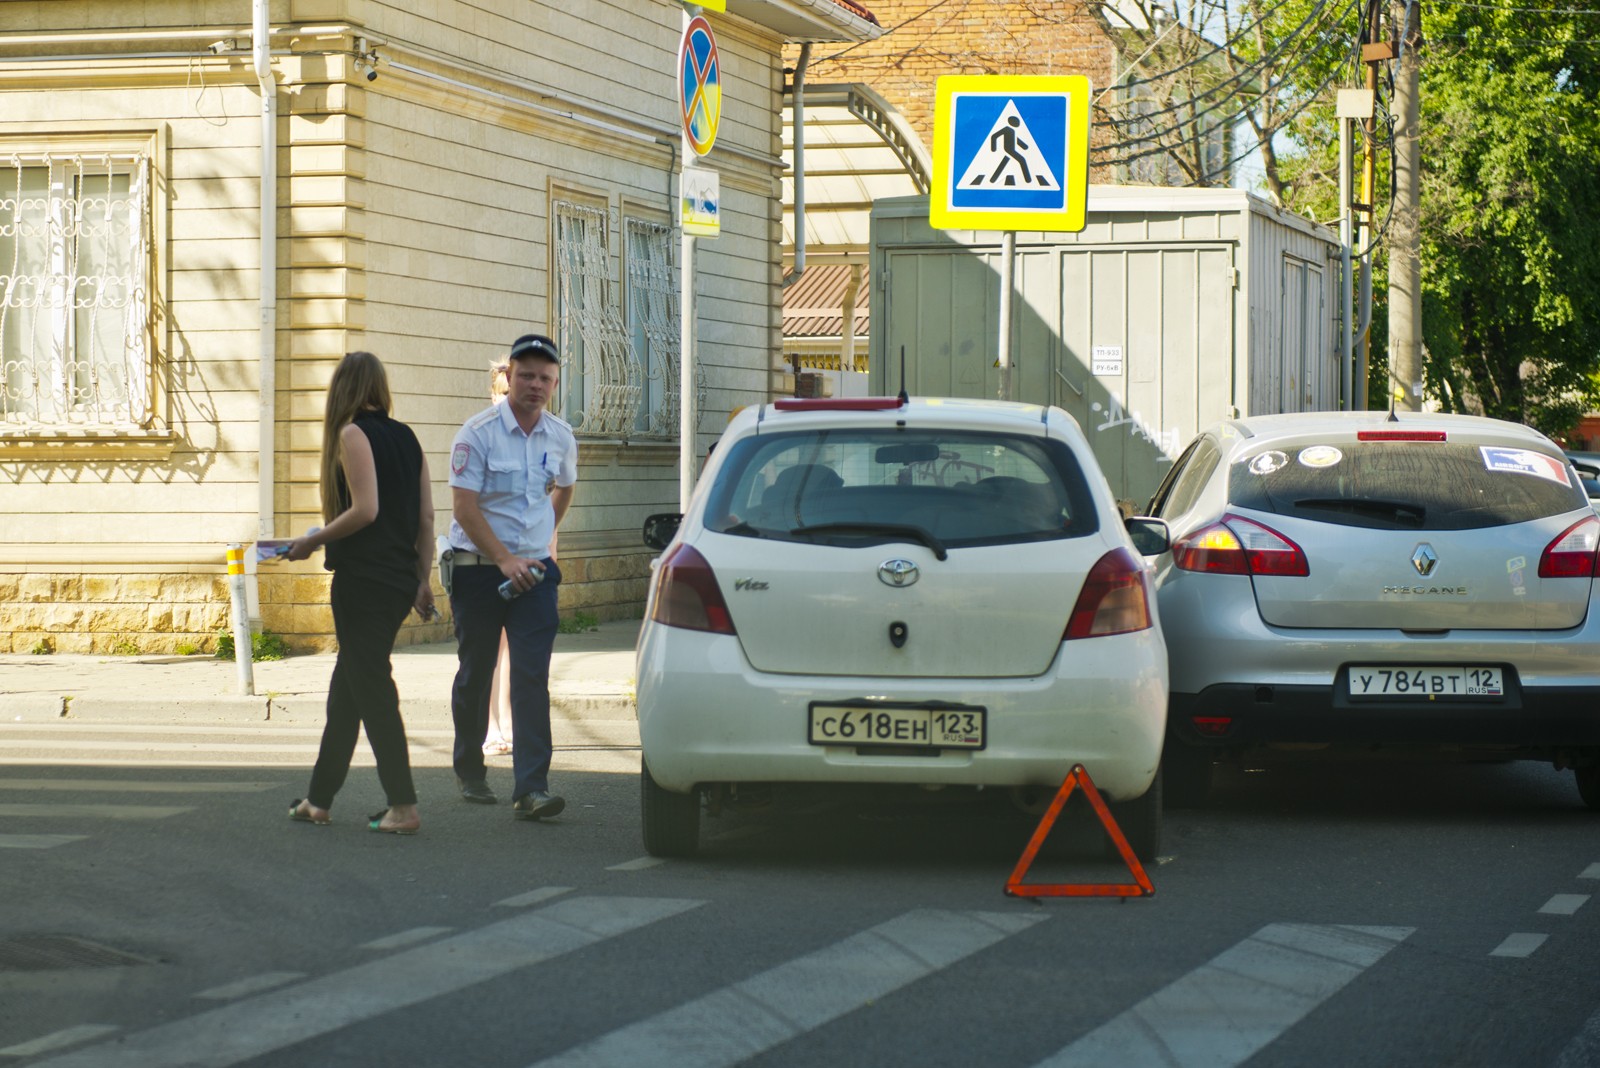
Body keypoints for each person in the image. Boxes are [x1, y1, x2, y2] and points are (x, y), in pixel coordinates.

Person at [285, 351, 434, 835]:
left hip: (363, 580)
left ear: (342, 389)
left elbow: (366, 510)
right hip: (396, 581)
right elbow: (427, 518)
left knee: (371, 688)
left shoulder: (352, 434)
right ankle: (318, 799)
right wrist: (422, 580)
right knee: (346, 691)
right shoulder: (408, 438)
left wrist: (313, 539)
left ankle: (403, 805)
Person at [445, 333, 576, 820]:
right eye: (527, 375)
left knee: (529, 677)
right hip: (480, 572)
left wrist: (541, 541)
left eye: (545, 378)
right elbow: (465, 507)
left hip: (535, 576)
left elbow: (563, 488)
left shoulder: (560, 435)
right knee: (477, 673)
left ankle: (531, 788)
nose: (535, 385)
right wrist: (504, 558)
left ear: (555, 383)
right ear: (508, 377)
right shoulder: (476, 433)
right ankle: (470, 770)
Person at [482, 360, 515, 758]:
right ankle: (490, 726)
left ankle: (506, 720)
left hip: (525, 559)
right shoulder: (481, 435)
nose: (509, 401)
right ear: (492, 395)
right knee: (490, 648)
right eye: (503, 393)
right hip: (487, 559)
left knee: (512, 649)